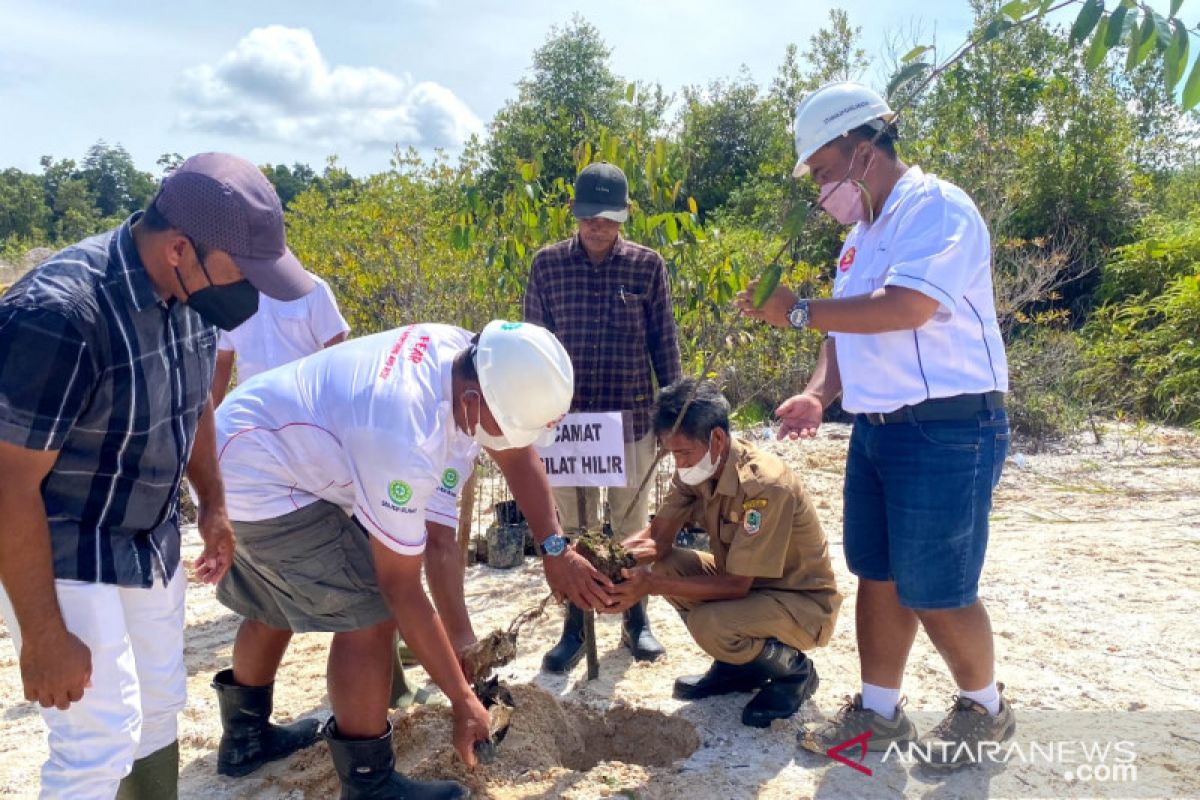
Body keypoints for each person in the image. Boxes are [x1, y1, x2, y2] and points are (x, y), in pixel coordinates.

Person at [0, 152, 314, 799]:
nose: (250, 292)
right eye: (243, 272)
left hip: (147, 534)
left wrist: (213, 504)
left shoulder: (194, 297)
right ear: (179, 248)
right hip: (64, 542)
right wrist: (43, 634)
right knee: (96, 739)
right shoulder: (61, 314)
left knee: (160, 706)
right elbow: (7, 484)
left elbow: (194, 401)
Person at [211, 319, 613, 798]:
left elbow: (503, 466)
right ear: (471, 402)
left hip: (253, 438)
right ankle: (369, 784)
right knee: (369, 611)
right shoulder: (405, 435)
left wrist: (554, 548)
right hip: (257, 475)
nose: (508, 443)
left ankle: (245, 740)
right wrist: (463, 700)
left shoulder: (473, 360)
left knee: (278, 592)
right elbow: (401, 585)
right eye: (507, 430)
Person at [736, 81, 1013, 768]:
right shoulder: (861, 238)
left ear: (864, 151)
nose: (822, 188)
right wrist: (817, 393)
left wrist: (798, 309)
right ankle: (880, 713)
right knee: (880, 575)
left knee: (937, 587)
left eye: (825, 170)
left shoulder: (936, 209)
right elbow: (847, 333)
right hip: (879, 429)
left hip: (949, 427)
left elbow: (908, 306)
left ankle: (987, 707)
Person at [605, 378, 841, 727]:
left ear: (716, 438)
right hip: (751, 589)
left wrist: (648, 585)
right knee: (667, 566)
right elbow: (659, 538)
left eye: (683, 452)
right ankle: (738, 668)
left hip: (800, 602)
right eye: (671, 453)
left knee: (710, 623)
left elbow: (736, 586)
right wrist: (607, 560)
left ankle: (794, 673)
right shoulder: (697, 468)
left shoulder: (763, 484)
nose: (678, 463)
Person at [524, 161, 682, 672]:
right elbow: (531, 347)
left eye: (608, 218)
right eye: (590, 216)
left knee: (631, 526)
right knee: (572, 527)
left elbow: (665, 343)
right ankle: (575, 624)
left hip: (630, 418)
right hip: (564, 426)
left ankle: (636, 620)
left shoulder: (646, 266)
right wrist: (531, 416)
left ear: (625, 216)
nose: (598, 227)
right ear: (576, 213)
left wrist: (673, 414)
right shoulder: (547, 266)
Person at [210, 268, 349, 405]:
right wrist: (211, 419)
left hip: (304, 407)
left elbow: (336, 352)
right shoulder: (227, 297)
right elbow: (222, 362)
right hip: (251, 409)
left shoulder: (311, 288)